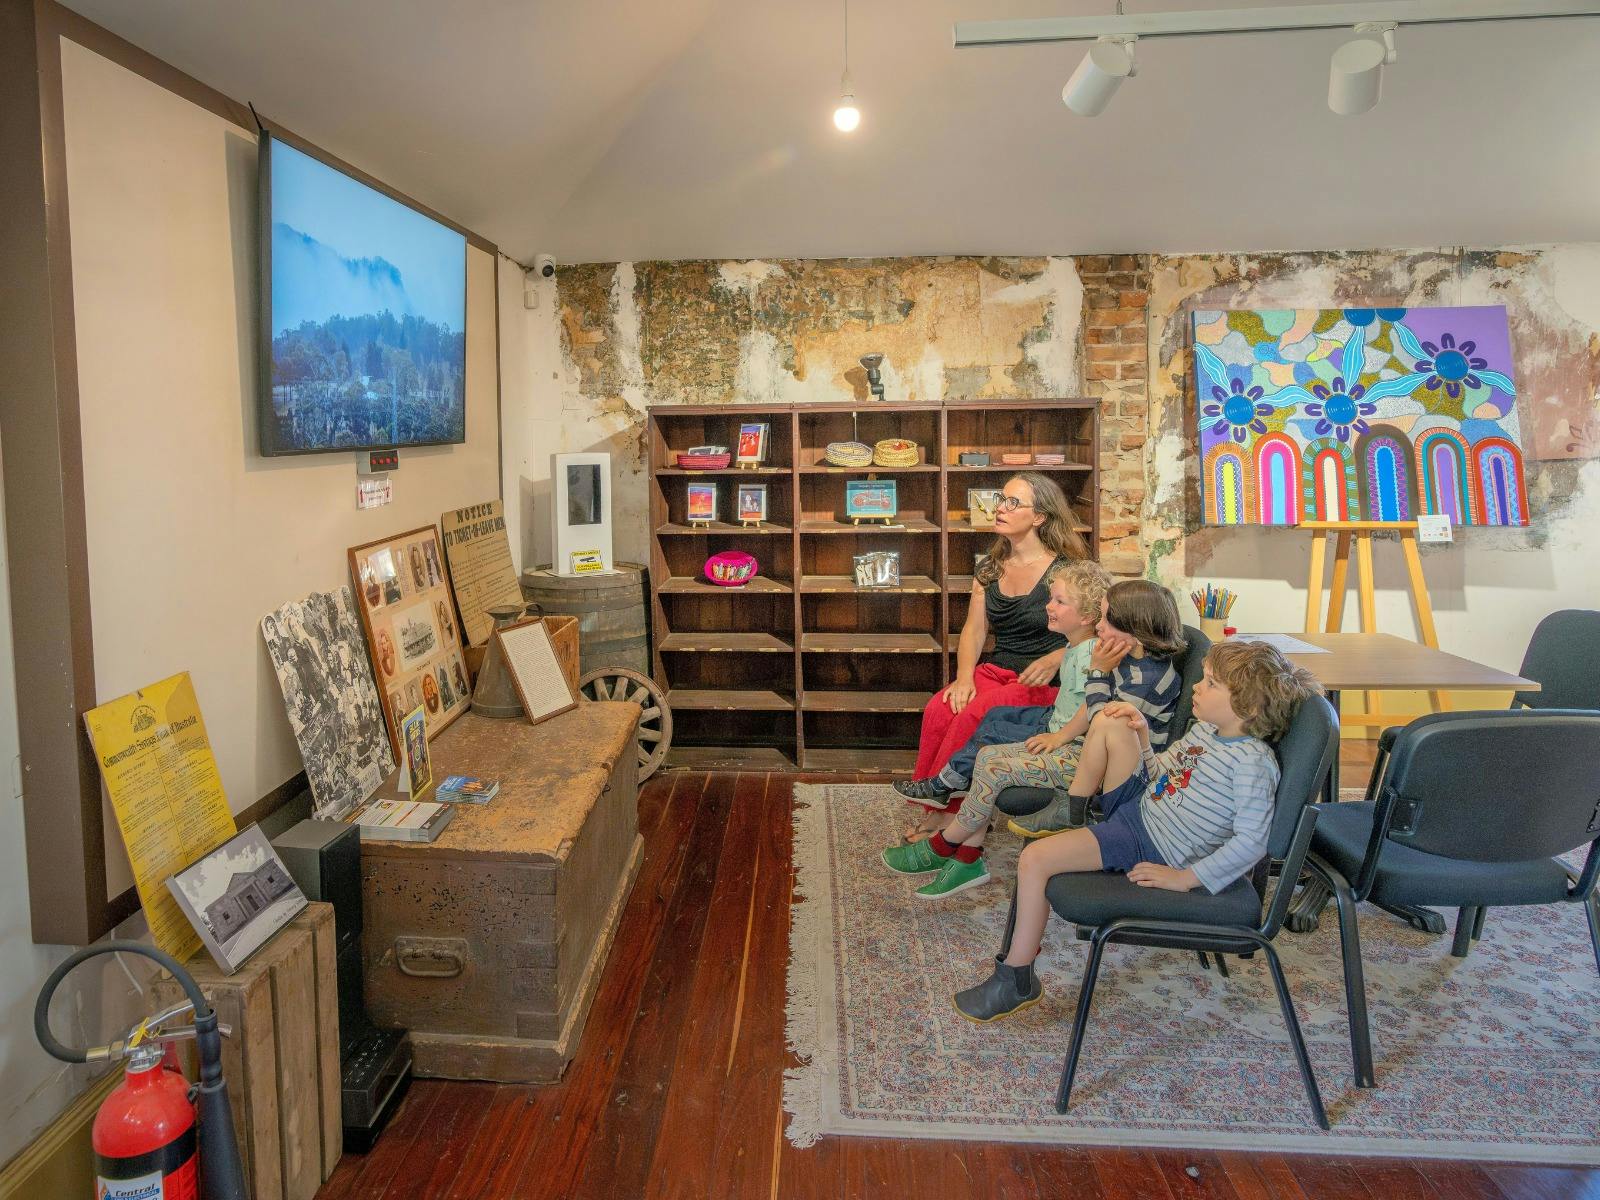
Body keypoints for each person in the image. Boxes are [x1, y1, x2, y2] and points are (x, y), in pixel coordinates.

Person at [950, 640, 1321, 1021]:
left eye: (1210, 684)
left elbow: (1254, 841)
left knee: (1034, 859)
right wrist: (1142, 736)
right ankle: (1071, 813)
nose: (1197, 687)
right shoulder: (1205, 732)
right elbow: (1161, 773)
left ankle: (1016, 976)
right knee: (1110, 723)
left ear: (1248, 706)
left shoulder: (1251, 764)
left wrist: (1186, 878)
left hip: (1151, 845)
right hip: (1141, 814)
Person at [902, 472, 1089, 840]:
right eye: (1000, 499)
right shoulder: (990, 566)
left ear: (1039, 517)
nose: (1000, 508)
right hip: (997, 668)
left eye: (1013, 502)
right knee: (941, 707)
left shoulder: (1067, 570)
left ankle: (957, 816)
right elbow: (974, 630)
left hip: (1040, 681)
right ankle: (937, 802)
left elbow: (1092, 630)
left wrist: (1057, 658)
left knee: (972, 715)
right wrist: (965, 677)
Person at [892, 557, 1113, 811]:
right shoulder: (1073, 645)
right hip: (1053, 717)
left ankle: (946, 784)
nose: (1048, 607)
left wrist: (1058, 737)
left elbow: (1092, 703)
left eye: (1059, 602)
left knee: (991, 732)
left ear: (1086, 616)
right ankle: (960, 779)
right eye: (1050, 599)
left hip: (1064, 734)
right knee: (996, 715)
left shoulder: (1088, 654)